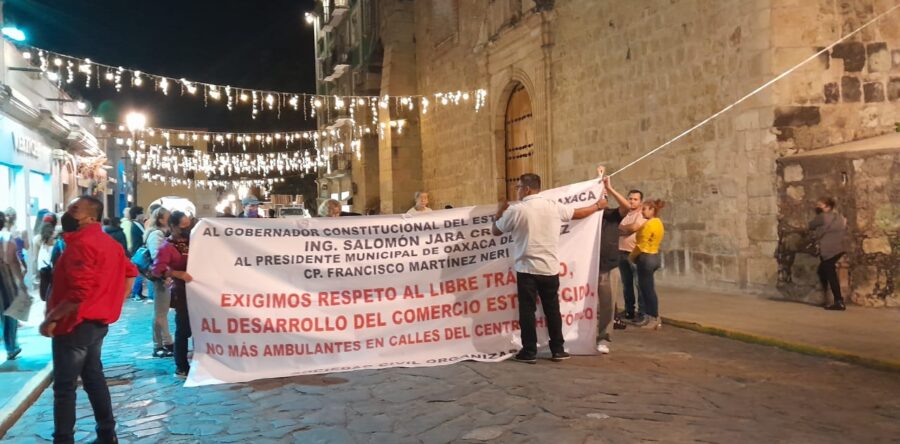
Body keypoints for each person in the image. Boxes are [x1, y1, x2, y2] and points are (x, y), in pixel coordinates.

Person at [38, 196, 138, 444]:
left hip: (74, 325)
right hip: (96, 324)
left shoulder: (82, 244)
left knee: (64, 388)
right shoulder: (108, 243)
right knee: (94, 378)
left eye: (74, 209)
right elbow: (130, 272)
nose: (68, 213)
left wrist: (51, 318)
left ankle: (64, 439)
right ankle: (106, 433)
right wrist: (113, 300)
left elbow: (78, 293)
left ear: (90, 217)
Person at [492, 171, 607, 363]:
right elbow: (578, 214)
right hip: (550, 268)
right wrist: (597, 206)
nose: (517, 190)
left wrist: (499, 211)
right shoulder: (553, 206)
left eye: (519, 187)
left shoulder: (517, 210)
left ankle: (529, 351)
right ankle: (558, 349)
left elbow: (496, 230)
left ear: (527, 188)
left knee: (527, 311)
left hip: (527, 269)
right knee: (552, 310)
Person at [152, 211, 194, 377]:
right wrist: (177, 274)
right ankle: (181, 365)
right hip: (182, 292)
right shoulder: (167, 247)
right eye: (182, 226)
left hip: (200, 291)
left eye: (188, 225)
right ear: (173, 226)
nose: (186, 229)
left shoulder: (194, 241)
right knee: (183, 329)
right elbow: (157, 269)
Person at [604, 181, 647, 323]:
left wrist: (621, 229)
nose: (632, 201)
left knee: (639, 284)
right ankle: (629, 311)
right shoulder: (624, 213)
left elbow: (633, 228)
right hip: (621, 252)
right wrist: (622, 229)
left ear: (641, 202)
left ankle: (643, 313)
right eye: (630, 198)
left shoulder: (642, 214)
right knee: (626, 284)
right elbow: (618, 227)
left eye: (635, 199)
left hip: (635, 253)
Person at [595, 173, 624, 354]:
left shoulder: (613, 215)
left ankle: (604, 338)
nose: (602, 197)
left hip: (608, 266)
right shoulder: (587, 215)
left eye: (604, 196)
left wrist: (610, 187)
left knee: (607, 304)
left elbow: (626, 206)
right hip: (588, 266)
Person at [629, 199, 666, 330]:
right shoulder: (659, 223)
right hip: (654, 255)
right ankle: (651, 317)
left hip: (646, 257)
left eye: (644, 209)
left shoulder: (648, 225)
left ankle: (653, 317)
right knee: (647, 288)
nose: (642, 211)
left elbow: (641, 245)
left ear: (652, 210)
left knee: (647, 289)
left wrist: (632, 257)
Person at [809, 197, 848, 311]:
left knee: (829, 273)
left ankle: (838, 301)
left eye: (821, 204)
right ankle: (832, 299)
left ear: (828, 206)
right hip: (839, 248)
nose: (818, 206)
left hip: (827, 250)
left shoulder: (822, 217)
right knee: (824, 271)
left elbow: (810, 225)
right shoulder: (840, 217)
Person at [146, 207, 174, 357]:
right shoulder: (156, 234)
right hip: (160, 278)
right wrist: (166, 275)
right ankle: (161, 344)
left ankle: (164, 342)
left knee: (161, 311)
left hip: (163, 276)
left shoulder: (162, 234)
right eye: (168, 217)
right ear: (161, 219)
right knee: (160, 312)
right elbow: (158, 257)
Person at [0, 211, 24, 360]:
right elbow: (14, 263)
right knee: (10, 313)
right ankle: (11, 347)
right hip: (5, 280)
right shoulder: (7, 239)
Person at [128, 207, 152, 302]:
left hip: (137, 251)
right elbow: (144, 236)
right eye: (142, 213)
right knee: (139, 274)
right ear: (137, 214)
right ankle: (136, 293)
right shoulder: (136, 225)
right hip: (138, 252)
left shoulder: (136, 224)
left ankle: (138, 293)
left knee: (140, 273)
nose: (143, 215)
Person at [32, 217, 58, 301]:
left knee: (44, 284)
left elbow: (35, 257)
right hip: (52, 267)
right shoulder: (56, 240)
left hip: (42, 266)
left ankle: (45, 297)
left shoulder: (37, 239)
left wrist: (36, 274)